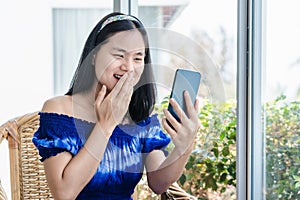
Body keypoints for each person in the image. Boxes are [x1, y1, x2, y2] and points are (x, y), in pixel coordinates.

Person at [32, 12, 200, 200]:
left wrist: (184, 147)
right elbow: (64, 193)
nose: (129, 67)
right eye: (119, 55)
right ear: (94, 55)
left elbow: (159, 183)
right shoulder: (58, 109)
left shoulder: (139, 117)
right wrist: (106, 124)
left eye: (138, 58)